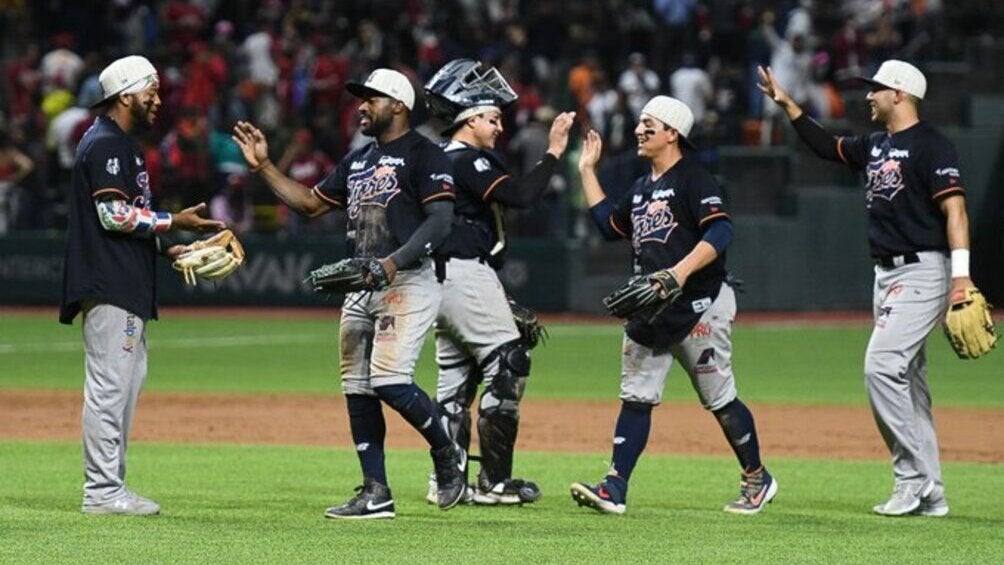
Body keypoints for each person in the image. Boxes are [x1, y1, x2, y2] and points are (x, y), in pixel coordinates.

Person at [231, 68, 466, 520]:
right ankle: (376, 490)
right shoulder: (358, 159)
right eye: (361, 97)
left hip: (408, 278)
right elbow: (310, 203)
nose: (361, 104)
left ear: (398, 105)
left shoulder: (425, 154)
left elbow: (440, 222)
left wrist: (391, 264)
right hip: (361, 283)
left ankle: (445, 452)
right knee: (357, 387)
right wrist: (263, 166)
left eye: (371, 98)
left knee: (390, 381)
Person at [758, 60, 980, 517]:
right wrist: (788, 106)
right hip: (886, 275)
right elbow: (827, 147)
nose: (868, 96)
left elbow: (955, 211)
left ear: (898, 94)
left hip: (924, 270)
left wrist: (961, 277)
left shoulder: (931, 145)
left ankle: (910, 479)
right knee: (910, 383)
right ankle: (932, 492)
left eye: (875, 89)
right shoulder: (876, 145)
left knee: (881, 367)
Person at [570, 95, 777, 515]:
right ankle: (615, 487)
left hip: (700, 303)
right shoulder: (643, 187)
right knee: (636, 397)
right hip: (652, 308)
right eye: (639, 123)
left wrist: (678, 274)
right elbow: (609, 226)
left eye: (649, 123)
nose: (639, 130)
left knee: (719, 399)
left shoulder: (694, 180)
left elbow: (720, 233)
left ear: (672, 132)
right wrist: (586, 170)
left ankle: (757, 477)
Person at [59, 55, 226, 516]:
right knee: (111, 387)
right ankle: (102, 492)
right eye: (150, 91)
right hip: (109, 283)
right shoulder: (109, 144)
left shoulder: (118, 143)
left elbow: (125, 221)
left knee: (124, 387)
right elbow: (111, 215)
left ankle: (110, 488)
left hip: (123, 279)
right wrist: (175, 221)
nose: (157, 99)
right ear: (126, 94)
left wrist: (163, 247)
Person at [421, 59, 576, 504]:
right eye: (491, 118)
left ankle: (446, 481)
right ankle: (494, 480)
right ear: (469, 120)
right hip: (463, 269)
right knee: (509, 361)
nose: (499, 126)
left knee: (456, 381)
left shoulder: (437, 159)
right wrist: (554, 152)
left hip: (439, 278)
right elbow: (521, 196)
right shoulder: (466, 159)